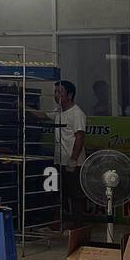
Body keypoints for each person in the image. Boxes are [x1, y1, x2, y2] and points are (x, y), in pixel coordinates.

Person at [54, 80, 87, 222]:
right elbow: (43, 115)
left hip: (73, 163)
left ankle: (77, 226)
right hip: (59, 161)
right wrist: (24, 107)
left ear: (70, 94)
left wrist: (73, 160)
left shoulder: (77, 113)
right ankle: (62, 223)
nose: (56, 95)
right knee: (59, 193)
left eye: (59, 91)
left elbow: (80, 137)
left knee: (76, 195)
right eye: (55, 92)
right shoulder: (58, 111)